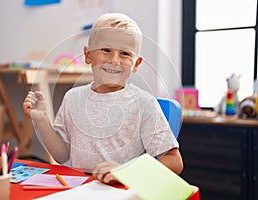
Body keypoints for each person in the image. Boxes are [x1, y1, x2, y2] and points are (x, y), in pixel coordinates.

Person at [23, 12, 183, 184]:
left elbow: (174, 162)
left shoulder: (144, 103)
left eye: (125, 54)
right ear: (88, 55)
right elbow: (63, 155)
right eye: (106, 50)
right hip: (81, 189)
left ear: (136, 63)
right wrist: (42, 120)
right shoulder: (72, 98)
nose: (114, 60)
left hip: (122, 191)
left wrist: (127, 173)